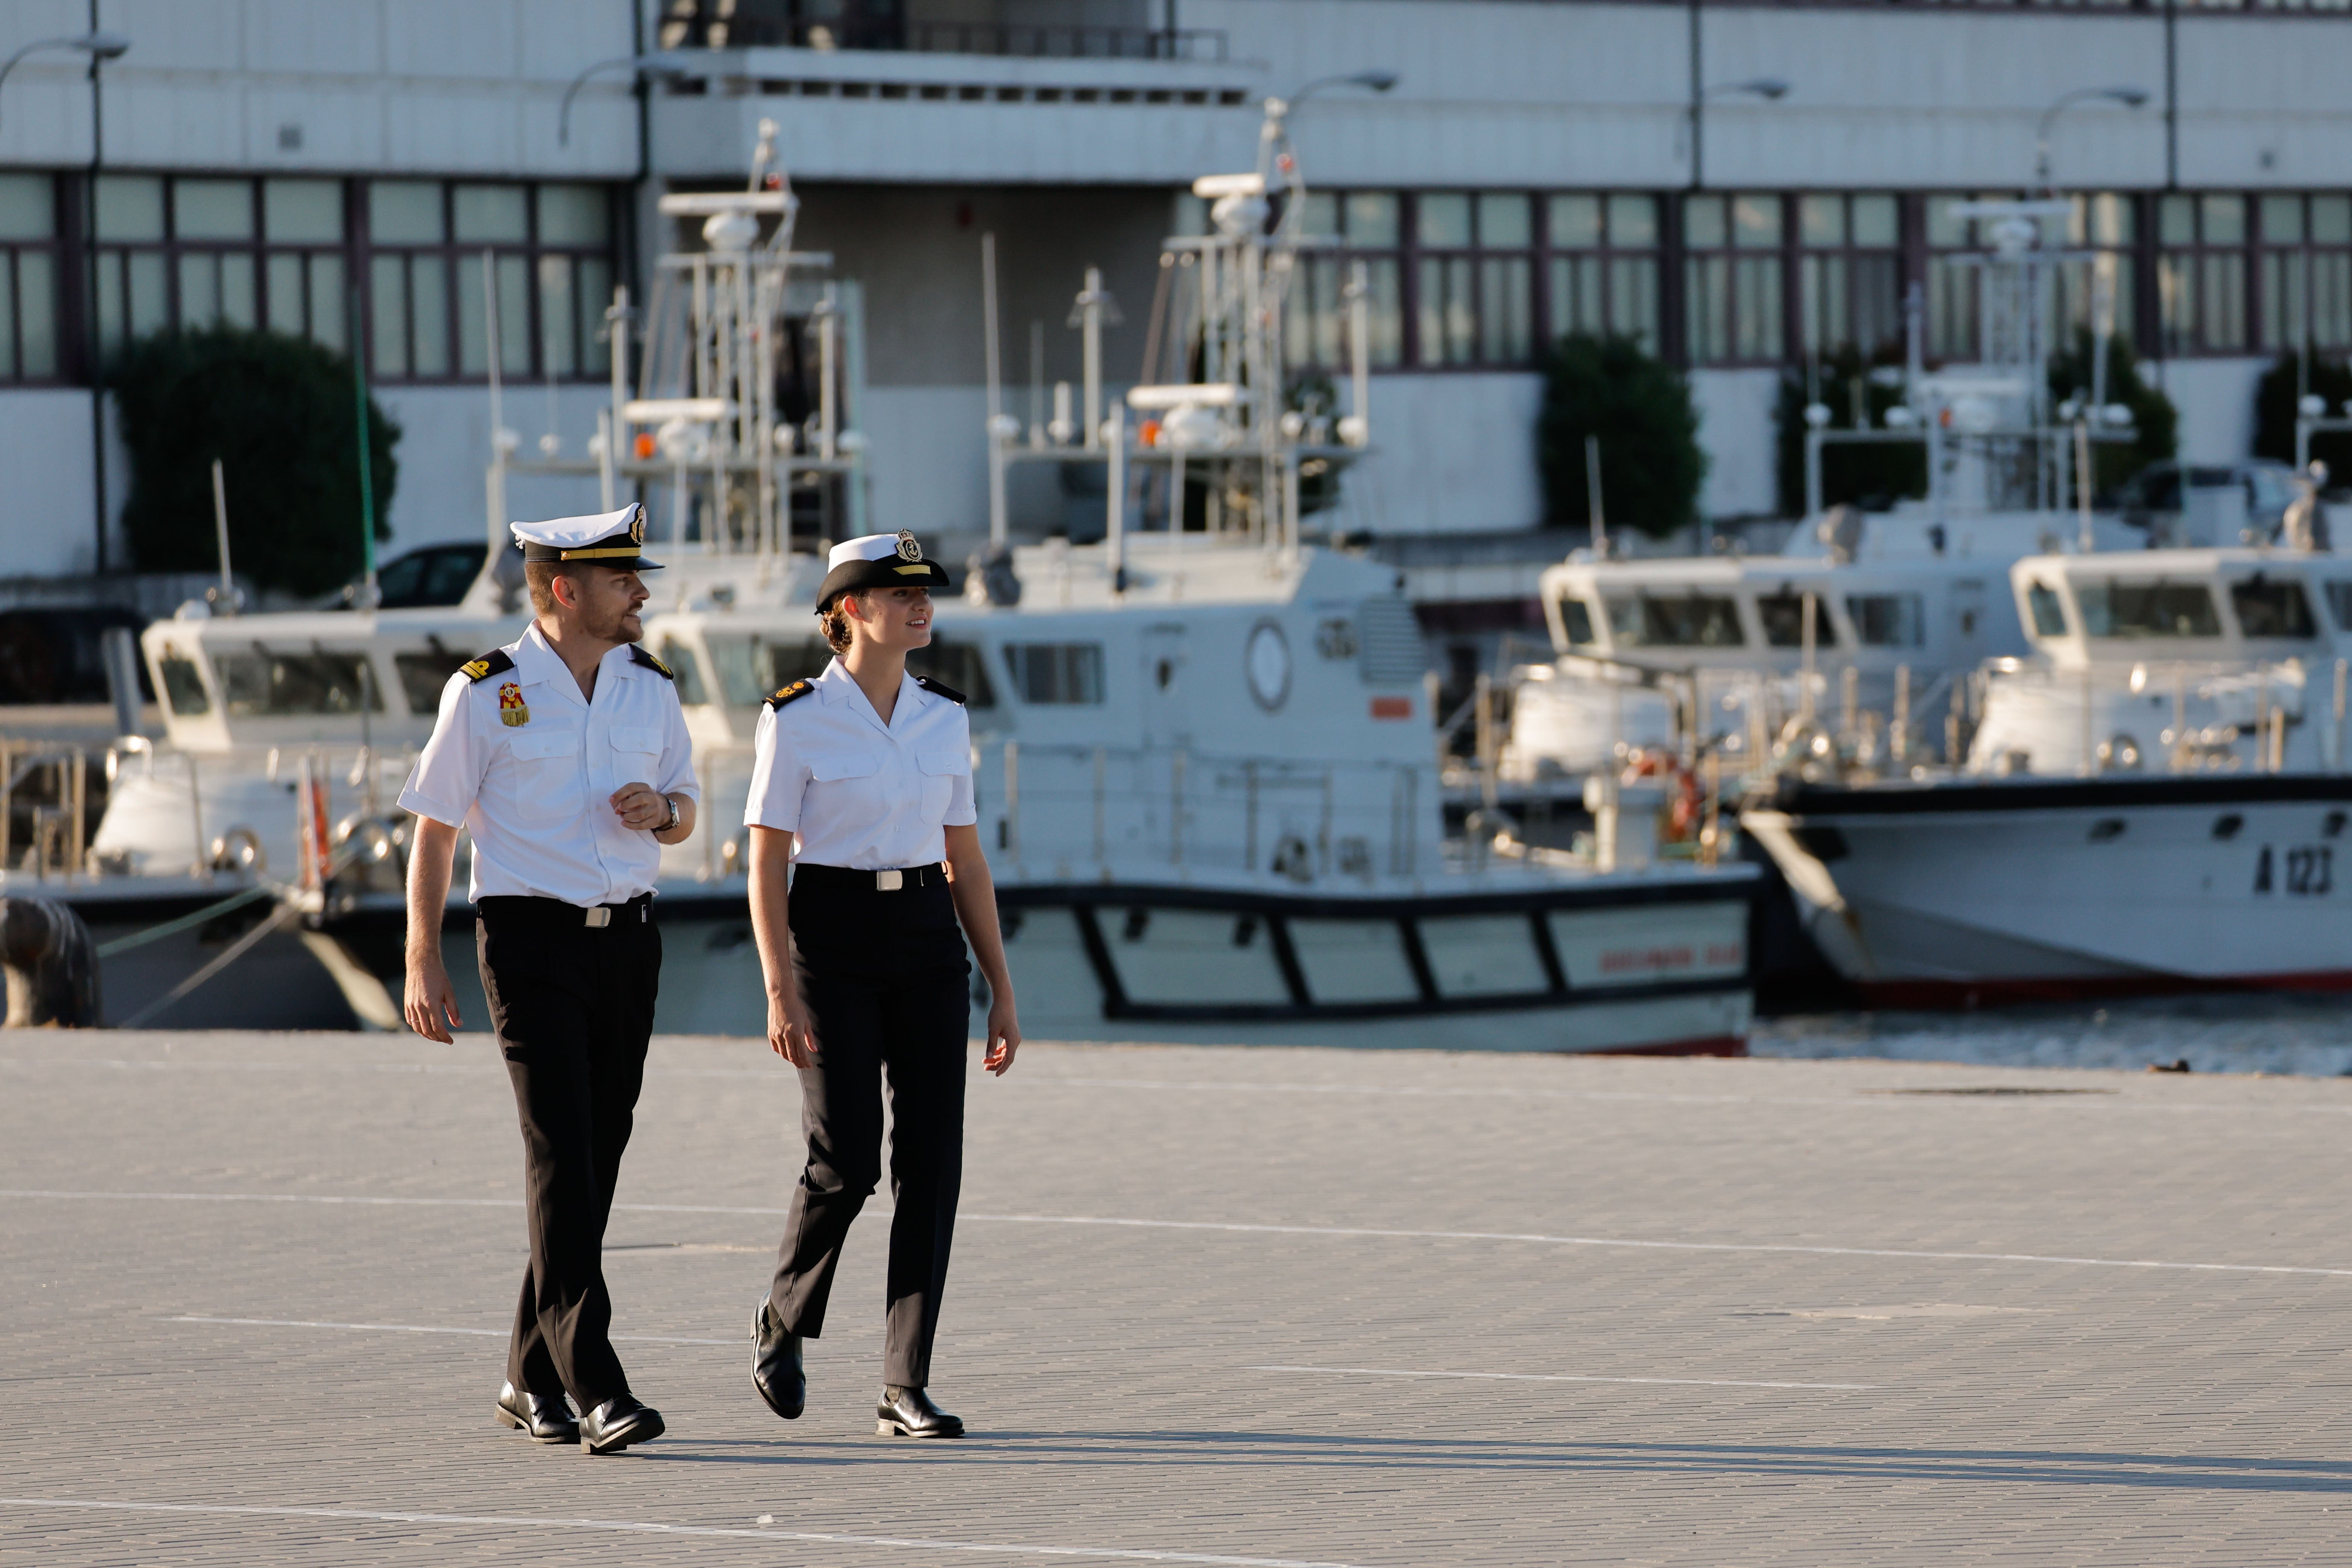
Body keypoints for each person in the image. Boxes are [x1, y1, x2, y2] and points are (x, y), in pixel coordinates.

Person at [398, 503, 698, 1456]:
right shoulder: (485, 691)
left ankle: (527, 1375)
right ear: (566, 591)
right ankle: (594, 1383)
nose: (641, 593)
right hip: (530, 942)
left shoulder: (650, 687)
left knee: (595, 1158)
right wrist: (419, 955)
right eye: (623, 581)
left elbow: (688, 809)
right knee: (562, 1154)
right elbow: (435, 827)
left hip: (630, 942)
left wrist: (667, 813)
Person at [744, 530, 1021, 1440]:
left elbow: (965, 856)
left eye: (923, 593)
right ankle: (784, 1318)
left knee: (932, 1163)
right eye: (900, 594)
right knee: (848, 1155)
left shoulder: (944, 716)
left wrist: (1000, 985)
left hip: (925, 942)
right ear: (852, 611)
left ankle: (905, 1383)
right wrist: (779, 989)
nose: (920, 605)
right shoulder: (793, 718)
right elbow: (766, 862)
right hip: (830, 939)